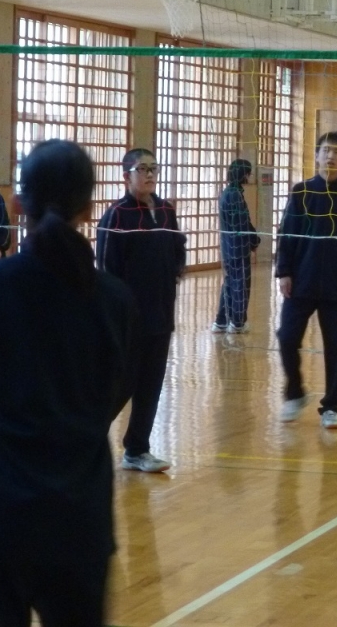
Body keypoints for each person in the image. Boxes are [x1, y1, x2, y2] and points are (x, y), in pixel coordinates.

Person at [0, 140, 139, 627]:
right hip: (77, 517)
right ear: (88, 209)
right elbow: (120, 387)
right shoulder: (114, 300)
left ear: (17, 204)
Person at [97, 149, 187, 473]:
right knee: (121, 385)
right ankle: (83, 440)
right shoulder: (116, 215)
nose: (149, 174)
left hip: (161, 314)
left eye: (153, 168)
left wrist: (175, 272)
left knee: (151, 384)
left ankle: (137, 450)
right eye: (142, 169)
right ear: (127, 176)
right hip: (129, 320)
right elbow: (106, 270)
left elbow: (178, 249)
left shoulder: (166, 210)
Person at [276, 131, 337, 429]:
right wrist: (284, 271)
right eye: (326, 150)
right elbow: (286, 234)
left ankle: (332, 406)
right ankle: (295, 393)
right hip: (301, 282)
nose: (330, 156)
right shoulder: (301, 192)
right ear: (317, 155)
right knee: (287, 337)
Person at [212, 159, 260, 333]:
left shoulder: (228, 192)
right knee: (240, 284)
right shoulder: (234, 195)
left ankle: (221, 321)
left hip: (228, 247)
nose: (250, 176)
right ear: (243, 174)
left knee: (230, 283)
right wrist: (254, 240)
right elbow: (242, 223)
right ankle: (237, 323)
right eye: (248, 173)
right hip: (238, 247)